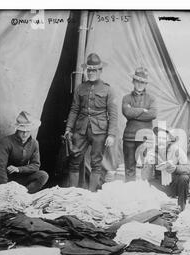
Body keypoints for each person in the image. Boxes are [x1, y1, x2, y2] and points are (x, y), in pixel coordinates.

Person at [64, 53, 118, 192]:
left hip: (99, 131)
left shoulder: (108, 89)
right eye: (89, 70)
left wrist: (111, 134)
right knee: (74, 160)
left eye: (95, 70)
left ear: (100, 71)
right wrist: (68, 128)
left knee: (96, 163)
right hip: (81, 129)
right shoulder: (80, 88)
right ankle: (73, 193)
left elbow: (113, 114)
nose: (91, 73)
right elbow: (74, 109)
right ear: (86, 71)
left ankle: (92, 194)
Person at [0, 111, 49, 194]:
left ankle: (23, 194)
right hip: (8, 178)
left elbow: (35, 165)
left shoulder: (34, 143)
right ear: (17, 129)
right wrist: (4, 189)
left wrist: (19, 169)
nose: (25, 134)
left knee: (43, 175)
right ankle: (10, 194)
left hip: (22, 177)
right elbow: (0, 168)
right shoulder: (6, 142)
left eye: (27, 131)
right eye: (22, 131)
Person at [141, 126, 190, 211]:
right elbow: (145, 178)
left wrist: (175, 168)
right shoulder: (151, 152)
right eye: (159, 138)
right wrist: (148, 164)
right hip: (159, 186)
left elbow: (189, 169)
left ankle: (181, 207)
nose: (161, 141)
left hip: (173, 185)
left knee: (184, 178)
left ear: (169, 140)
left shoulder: (177, 150)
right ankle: (153, 208)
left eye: (163, 138)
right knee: (147, 183)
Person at [122, 67, 157, 182]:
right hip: (129, 137)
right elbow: (127, 112)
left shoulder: (151, 98)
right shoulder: (126, 98)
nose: (140, 84)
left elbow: (153, 114)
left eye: (142, 82)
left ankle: (144, 195)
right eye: (137, 81)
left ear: (146, 83)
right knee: (130, 168)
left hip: (145, 138)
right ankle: (130, 196)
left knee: (146, 168)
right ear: (133, 81)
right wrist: (143, 110)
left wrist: (134, 112)